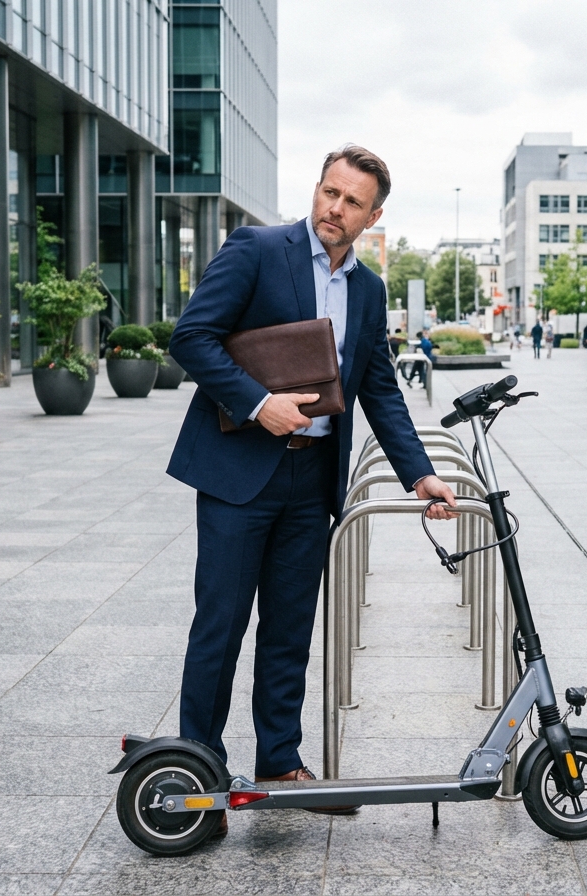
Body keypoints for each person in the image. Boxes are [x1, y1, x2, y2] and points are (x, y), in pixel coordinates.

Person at [167, 146, 458, 828]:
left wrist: (420, 472)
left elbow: (378, 389)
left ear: (373, 215)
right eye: (329, 192)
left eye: (352, 202)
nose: (334, 208)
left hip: (311, 482)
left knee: (290, 630)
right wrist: (256, 401)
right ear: (317, 188)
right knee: (221, 626)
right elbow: (192, 338)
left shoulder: (371, 289)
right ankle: (196, 774)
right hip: (242, 474)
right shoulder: (257, 250)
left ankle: (279, 762)